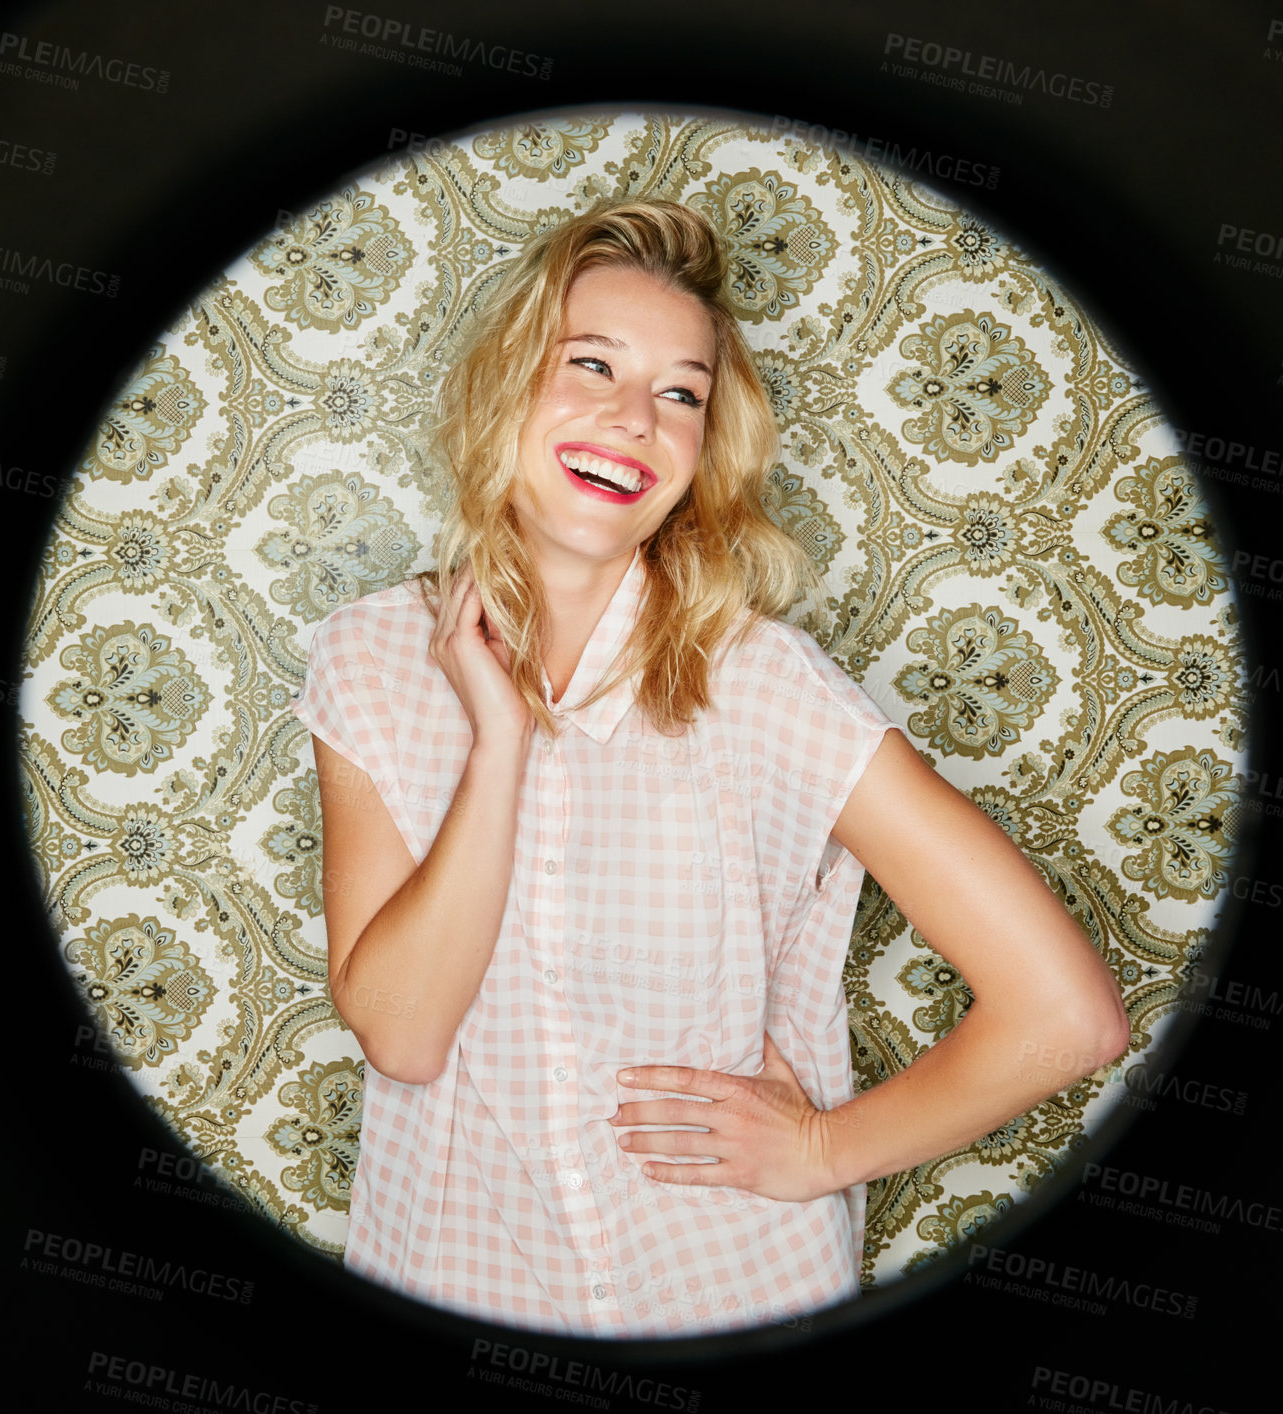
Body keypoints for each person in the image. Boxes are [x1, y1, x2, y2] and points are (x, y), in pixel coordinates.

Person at [289, 198, 1129, 1338]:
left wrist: (825, 1147)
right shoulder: (371, 657)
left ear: (702, 448)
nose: (632, 418)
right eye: (591, 365)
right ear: (507, 387)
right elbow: (403, 1031)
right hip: (452, 1277)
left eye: (679, 393)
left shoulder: (766, 686)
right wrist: (499, 744)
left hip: (727, 1292)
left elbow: (1065, 1017)